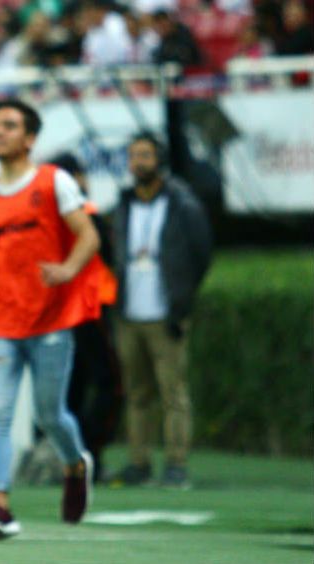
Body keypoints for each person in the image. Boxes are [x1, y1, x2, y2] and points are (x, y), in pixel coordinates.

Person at [0, 99, 100, 540]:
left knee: (49, 414)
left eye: (9, 125)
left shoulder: (53, 182)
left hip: (50, 319)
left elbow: (89, 234)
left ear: (29, 138)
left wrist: (66, 269)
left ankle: (75, 464)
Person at [112, 133, 211, 489]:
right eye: (133, 155)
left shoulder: (182, 203)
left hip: (165, 313)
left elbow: (201, 253)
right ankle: (138, 462)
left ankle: (176, 464)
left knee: (173, 393)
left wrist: (182, 302)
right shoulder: (124, 203)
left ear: (160, 160)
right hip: (129, 314)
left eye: (145, 155)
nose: (138, 162)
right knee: (137, 394)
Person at [49, 152, 122, 482]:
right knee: (109, 383)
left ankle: (71, 457)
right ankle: (90, 452)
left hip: (56, 313)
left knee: (71, 387)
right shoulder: (86, 213)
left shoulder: (43, 216)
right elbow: (105, 256)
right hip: (89, 309)